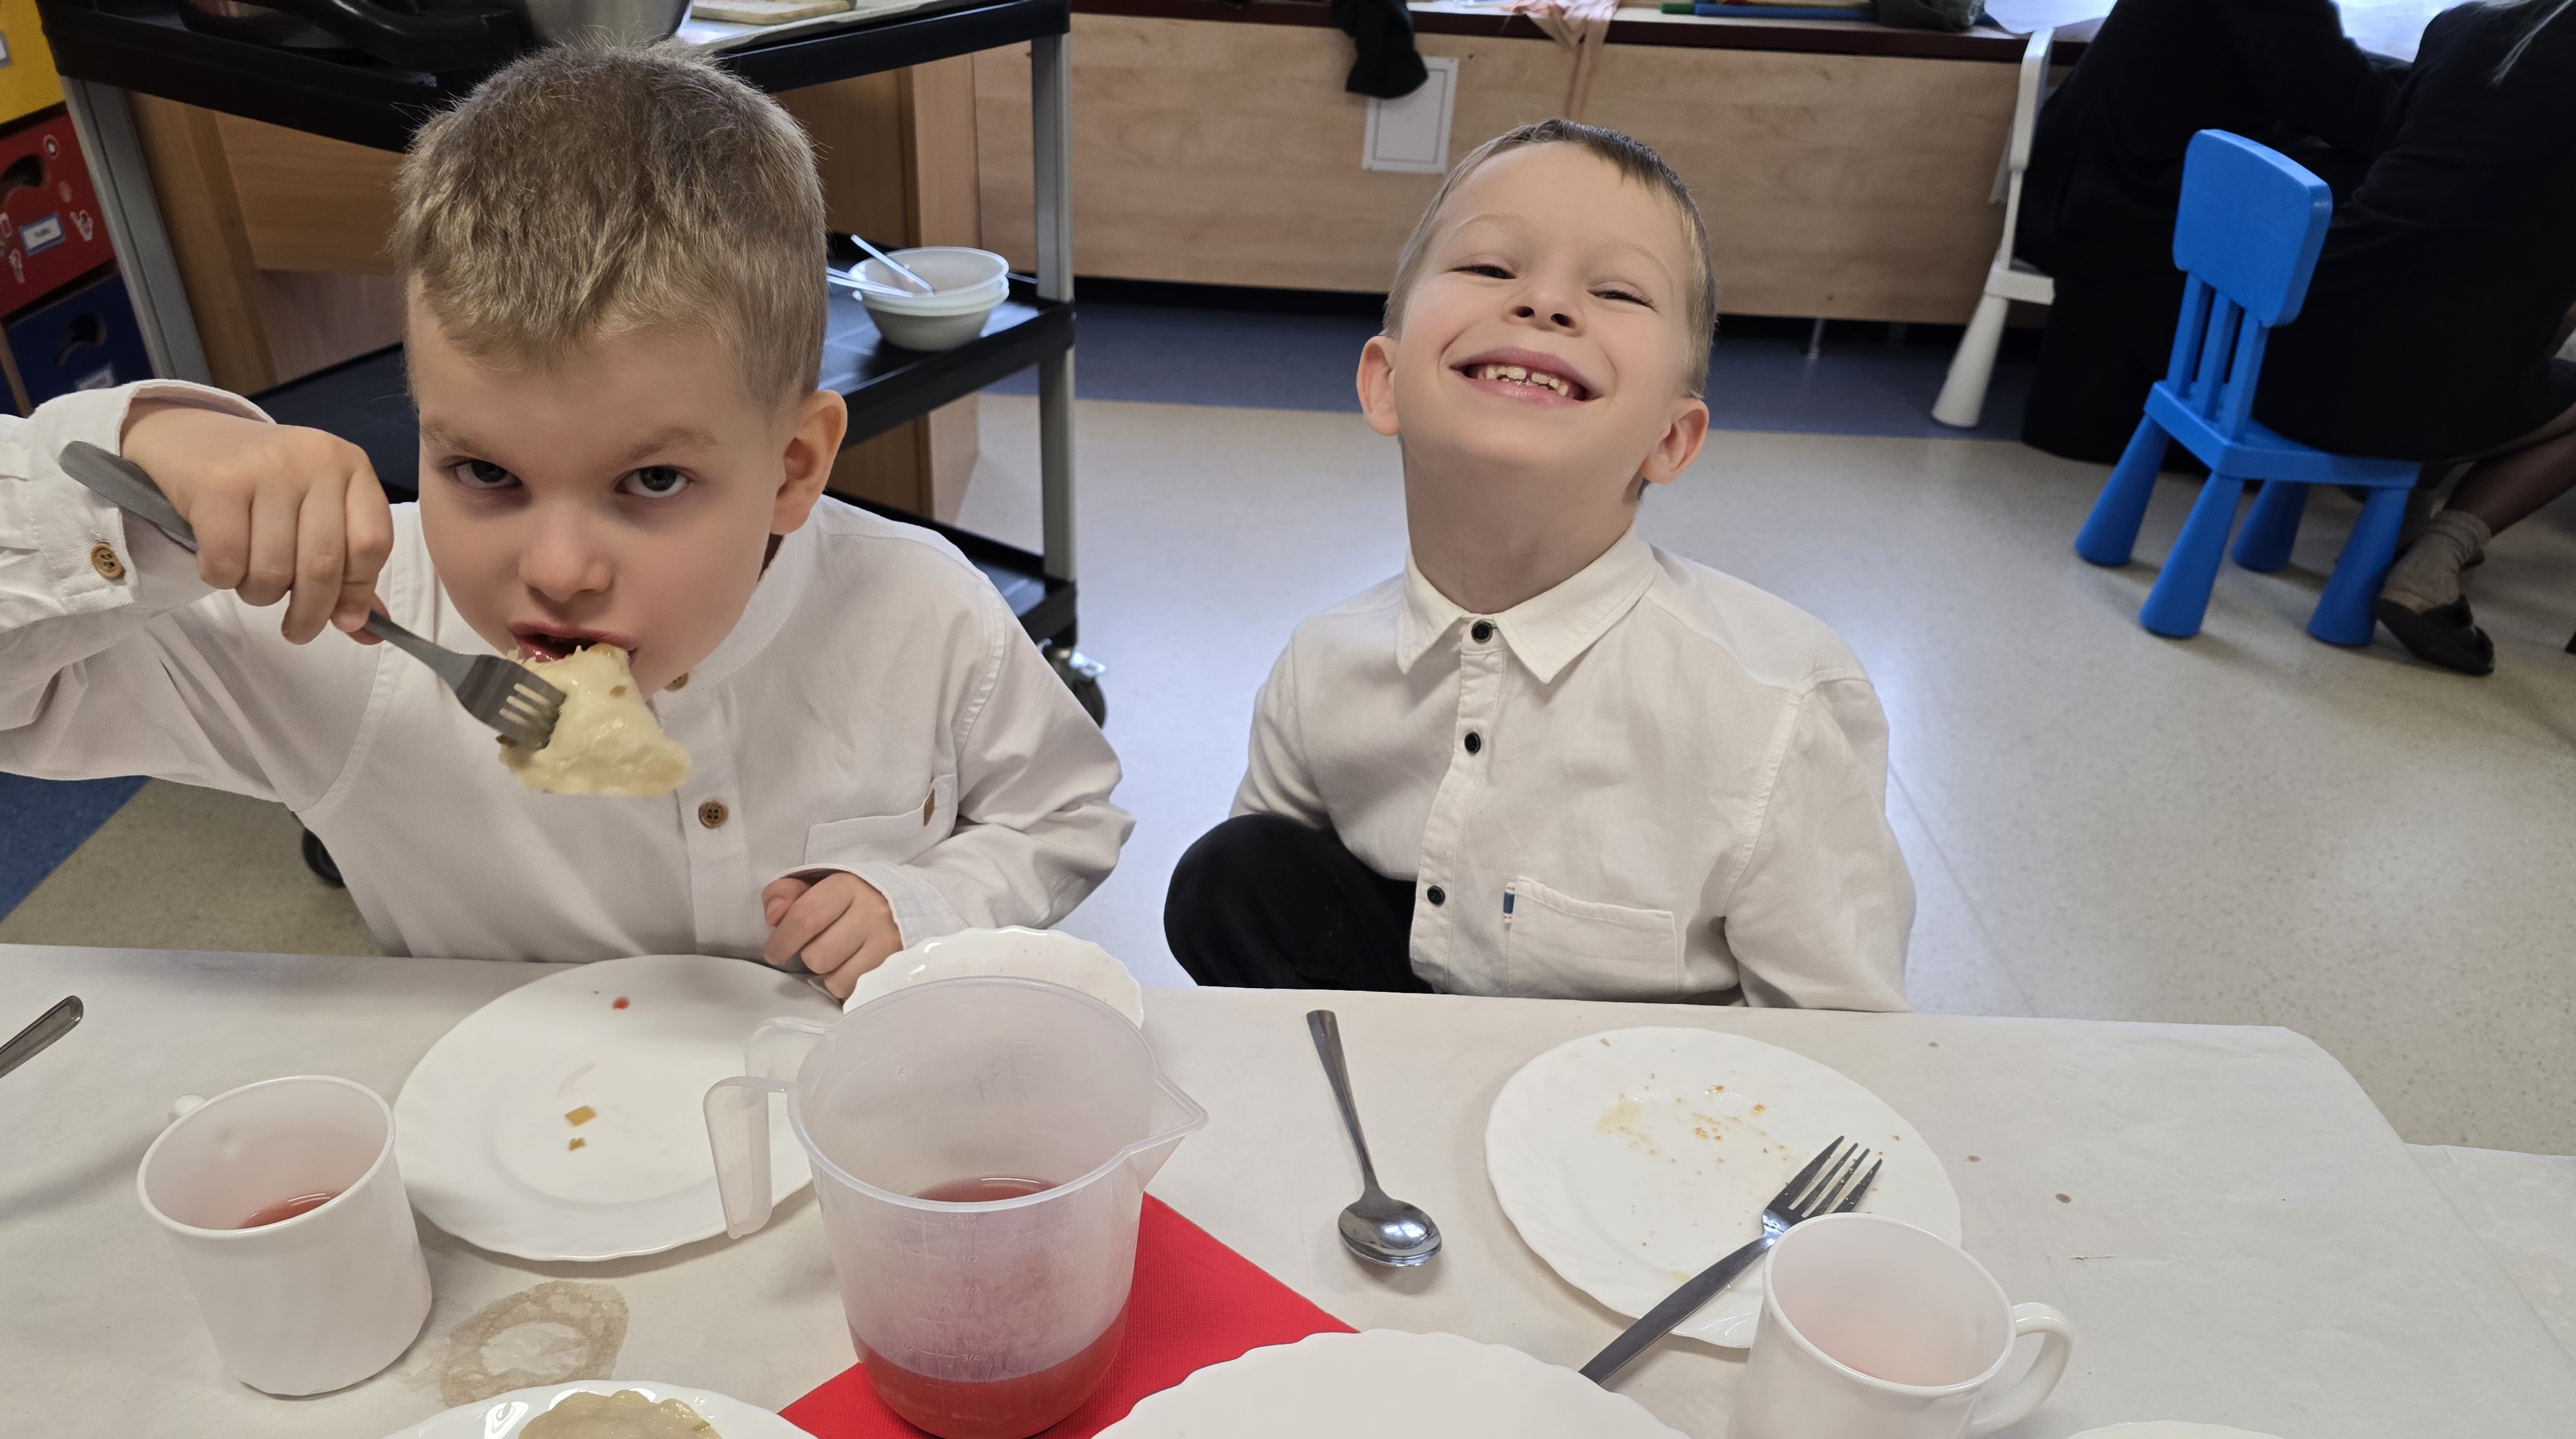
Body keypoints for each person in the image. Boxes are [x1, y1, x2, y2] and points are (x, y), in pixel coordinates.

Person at [0, 44, 1126, 995]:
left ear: (793, 466)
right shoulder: (350, 637)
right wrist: (145, 462)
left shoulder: (921, 613)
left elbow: (1066, 816)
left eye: (652, 481)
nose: (559, 569)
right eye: (486, 471)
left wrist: (924, 904)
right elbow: (23, 703)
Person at [1162, 121, 1913, 1009]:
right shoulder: (1321, 670)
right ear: (1384, 382)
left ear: (1671, 440)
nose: (1546, 302)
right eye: (1489, 268)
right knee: (1233, 874)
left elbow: (1842, 1036)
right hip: (1391, 1064)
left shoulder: (1777, 704)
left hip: (1657, 1087)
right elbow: (1269, 949)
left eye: (1618, 290)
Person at [2256, 0, 2576, 675]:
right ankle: (2432, 564)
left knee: (2490, 303)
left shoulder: (2459, 24)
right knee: (2491, 318)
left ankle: (2400, 519)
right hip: (2393, 393)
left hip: (2281, 350)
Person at [2014, 0, 2397, 463]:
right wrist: (2427, 110)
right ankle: (2342, 420)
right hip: (2125, 185)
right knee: (2377, 189)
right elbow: (2322, 90)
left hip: (2103, 164)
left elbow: (2314, 66)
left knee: (2350, 175)